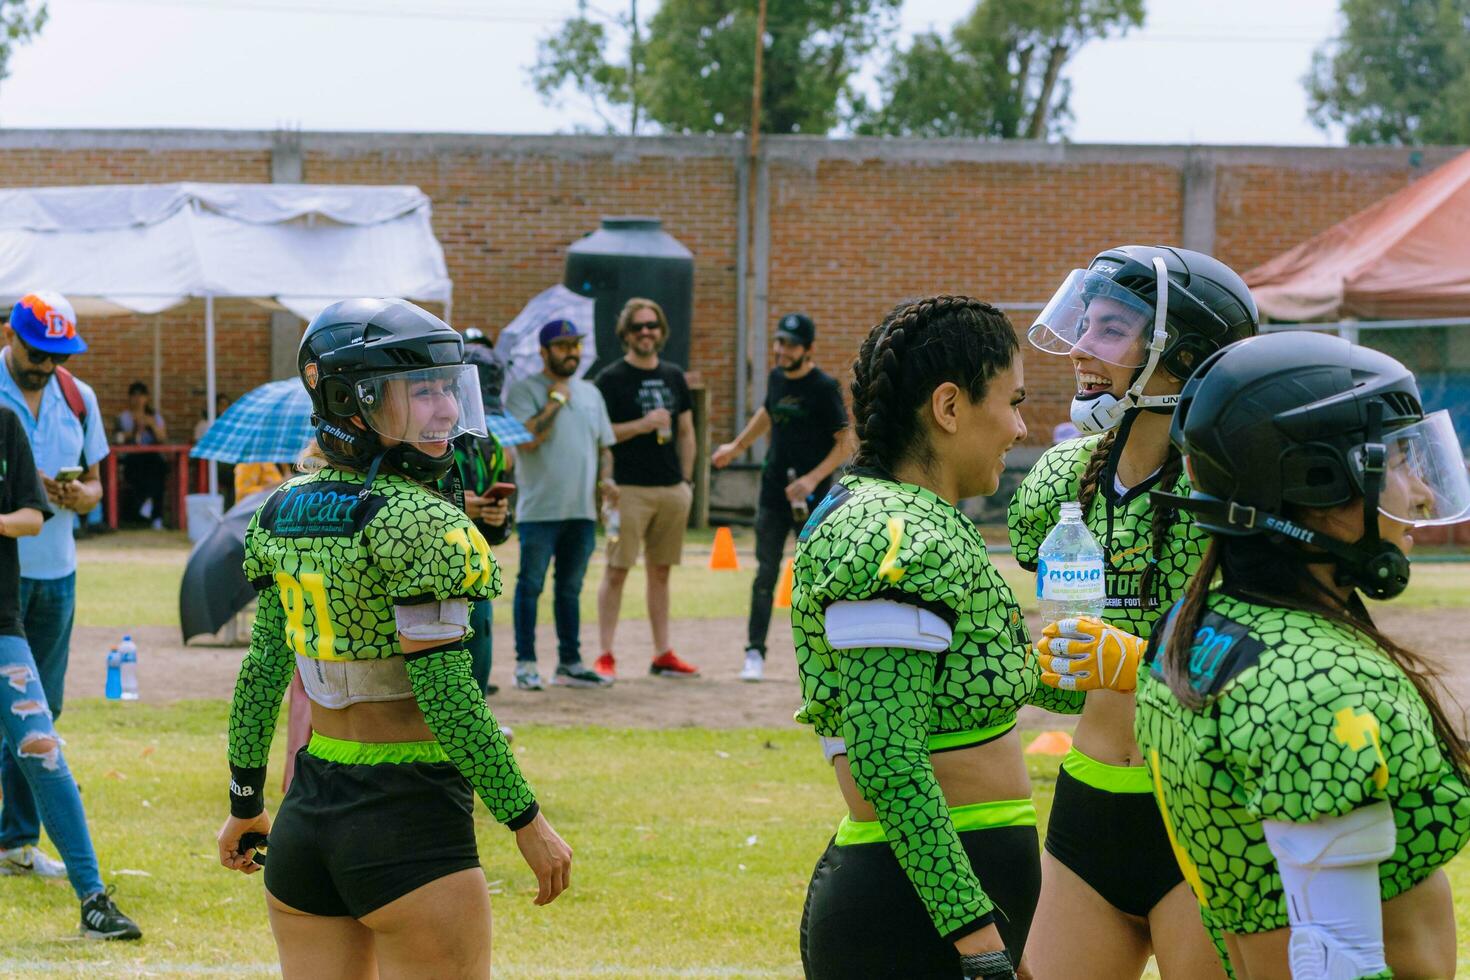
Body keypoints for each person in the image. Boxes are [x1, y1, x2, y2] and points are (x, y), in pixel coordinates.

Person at [216, 298, 571, 978]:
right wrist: (525, 819)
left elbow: (262, 672)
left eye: (447, 388)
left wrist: (243, 802)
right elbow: (448, 696)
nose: (444, 410)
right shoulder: (426, 524)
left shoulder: (282, 506)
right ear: (353, 403)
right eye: (420, 391)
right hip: (405, 818)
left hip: (307, 815)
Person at [1134, 331, 1470, 979]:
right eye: (1399, 460)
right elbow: (1335, 958)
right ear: (1317, 480)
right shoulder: (1322, 685)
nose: (1422, 495)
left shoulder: (1195, 627)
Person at [792, 295, 1083, 980]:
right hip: (913, 912)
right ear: (949, 408)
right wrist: (975, 938)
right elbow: (886, 759)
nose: (1019, 427)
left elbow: (973, 683)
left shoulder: (917, 520)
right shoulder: (889, 534)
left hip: (950, 896)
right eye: (1011, 402)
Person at [1007, 245, 1256, 978]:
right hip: (1089, 798)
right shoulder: (1060, 475)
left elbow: (1270, 660)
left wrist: (1138, 662)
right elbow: (1059, 668)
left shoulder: (1239, 490)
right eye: (1085, 322)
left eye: (1111, 328)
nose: (1082, 346)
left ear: (1184, 356)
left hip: (1205, 804)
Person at [0, 402, 141, 939]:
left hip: (2, 624)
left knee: (42, 747)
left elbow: (33, 517)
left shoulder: (5, 425)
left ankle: (94, 900)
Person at [0, 292, 109, 878]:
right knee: (18, 713)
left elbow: (96, 486)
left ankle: (14, 843)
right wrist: (24, 490)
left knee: (44, 709)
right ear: (11, 337)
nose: (46, 364)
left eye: (56, 354)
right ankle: (15, 838)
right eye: (37, 352)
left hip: (56, 573)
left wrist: (75, 496)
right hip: (3, 578)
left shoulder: (77, 396)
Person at [712, 312, 850, 682]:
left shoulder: (823, 387)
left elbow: (844, 442)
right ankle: (754, 653)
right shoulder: (775, 379)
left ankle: (829, 659)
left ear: (808, 349)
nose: (780, 350)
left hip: (815, 502)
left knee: (819, 578)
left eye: (789, 344)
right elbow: (767, 413)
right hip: (773, 494)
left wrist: (812, 479)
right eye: (778, 342)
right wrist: (736, 447)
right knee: (765, 574)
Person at [504, 319, 616, 691]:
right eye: (563, 346)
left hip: (581, 512)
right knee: (530, 586)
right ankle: (526, 663)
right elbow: (527, 442)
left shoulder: (592, 393)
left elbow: (604, 446)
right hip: (539, 511)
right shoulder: (523, 391)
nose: (571, 353)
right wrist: (554, 401)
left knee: (570, 590)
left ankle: (570, 663)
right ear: (545, 351)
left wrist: (608, 482)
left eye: (575, 345)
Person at [592, 298, 699, 680]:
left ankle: (662, 653)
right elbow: (602, 435)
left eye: (652, 325)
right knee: (617, 570)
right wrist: (642, 424)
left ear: (661, 331)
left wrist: (686, 481)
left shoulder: (673, 375)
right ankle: (604, 654)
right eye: (637, 327)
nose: (646, 332)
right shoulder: (610, 379)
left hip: (671, 489)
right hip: (628, 490)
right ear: (626, 334)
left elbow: (687, 432)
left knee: (661, 573)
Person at [450, 342, 516, 696]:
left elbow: (501, 532)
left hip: (478, 575)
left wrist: (496, 514)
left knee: (479, 670)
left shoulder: (491, 445)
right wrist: (461, 506)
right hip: (436, 581)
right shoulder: (423, 443)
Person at [114, 380, 168, 528]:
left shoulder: (154, 416)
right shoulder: (123, 417)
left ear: (146, 398)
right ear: (129, 398)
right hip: (131, 458)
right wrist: (133, 432)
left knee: (159, 471)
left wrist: (151, 425)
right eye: (134, 395)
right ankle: (143, 508)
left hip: (152, 458)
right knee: (137, 476)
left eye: (141, 395)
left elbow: (163, 439)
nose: (138, 399)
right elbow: (117, 439)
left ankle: (155, 515)